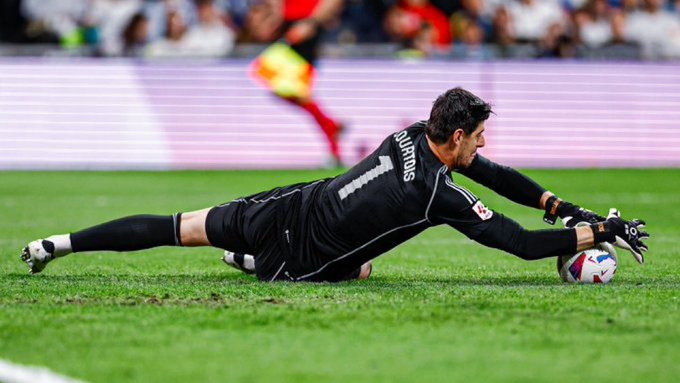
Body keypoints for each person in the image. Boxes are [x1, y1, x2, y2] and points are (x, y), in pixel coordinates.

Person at [21, 88, 650, 283]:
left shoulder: (413, 132)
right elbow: (515, 243)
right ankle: (252, 262)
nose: (483, 144)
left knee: (174, 227)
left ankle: (57, 245)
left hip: (290, 202)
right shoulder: (437, 193)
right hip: (305, 256)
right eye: (479, 134)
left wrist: (561, 207)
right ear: (455, 136)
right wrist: (598, 229)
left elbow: (496, 176)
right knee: (360, 270)